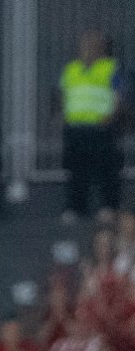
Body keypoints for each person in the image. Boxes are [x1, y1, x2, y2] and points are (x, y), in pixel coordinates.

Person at [60, 30, 129, 221]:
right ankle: (76, 208)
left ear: (102, 48)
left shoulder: (111, 67)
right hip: (76, 128)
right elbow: (65, 94)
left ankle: (108, 206)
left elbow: (119, 95)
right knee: (76, 170)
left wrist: (111, 116)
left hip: (101, 128)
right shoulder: (71, 69)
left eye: (93, 44)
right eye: (85, 44)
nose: (88, 48)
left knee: (105, 170)